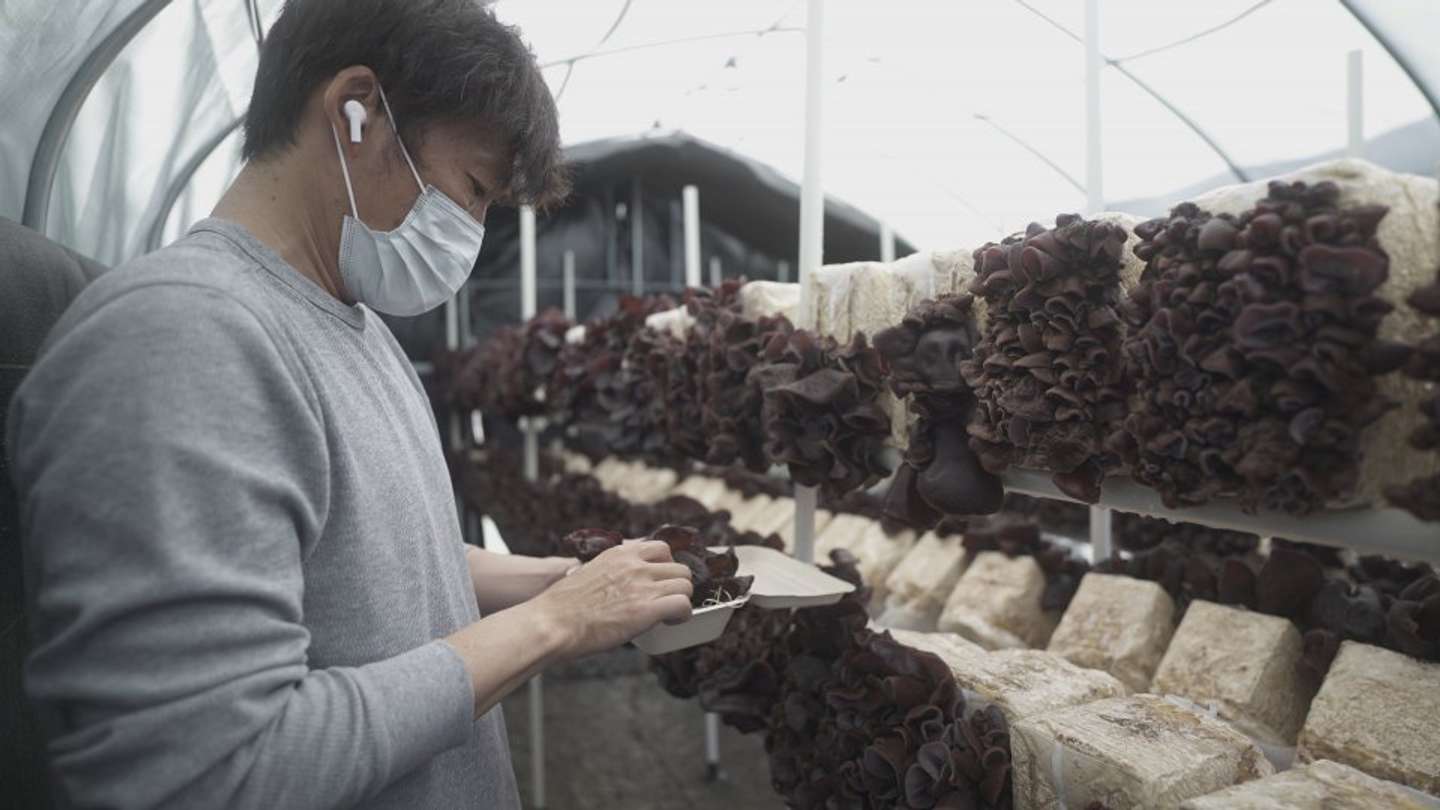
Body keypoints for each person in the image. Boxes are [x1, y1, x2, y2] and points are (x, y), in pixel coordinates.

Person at [6, 1, 694, 808]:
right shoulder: (179, 340)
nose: (472, 232)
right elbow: (213, 771)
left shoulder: (355, 328)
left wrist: (562, 581)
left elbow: (372, 560)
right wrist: (554, 627)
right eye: (473, 190)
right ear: (356, 111)